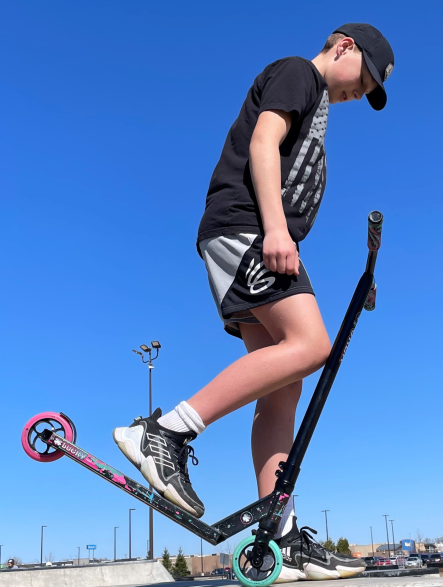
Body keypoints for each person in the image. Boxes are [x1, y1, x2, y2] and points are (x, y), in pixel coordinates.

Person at [112, 23, 394, 583]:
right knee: (313, 344)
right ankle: (166, 432)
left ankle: (279, 537)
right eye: (362, 81)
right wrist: (274, 231)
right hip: (247, 232)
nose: (357, 95)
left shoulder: (319, 104)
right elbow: (264, 143)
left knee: (280, 396)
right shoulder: (299, 73)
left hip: (249, 238)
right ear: (344, 46)